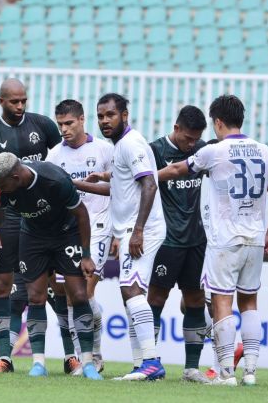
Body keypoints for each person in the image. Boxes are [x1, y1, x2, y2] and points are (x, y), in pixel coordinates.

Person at [159, 95, 268, 386]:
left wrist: (149, 176)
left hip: (225, 239)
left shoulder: (215, 151)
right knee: (250, 302)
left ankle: (226, 372)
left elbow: (178, 169)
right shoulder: (264, 151)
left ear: (217, 122)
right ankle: (250, 371)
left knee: (222, 303)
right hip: (254, 237)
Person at [0, 152, 102, 380]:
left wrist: (86, 255)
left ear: (16, 177)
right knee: (36, 298)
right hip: (32, 237)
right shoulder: (1, 183)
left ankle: (88, 362)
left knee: (78, 295)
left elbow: (82, 214)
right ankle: (38, 363)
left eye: (2, 186)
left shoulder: (54, 180)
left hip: (66, 235)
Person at [0, 78, 61, 373]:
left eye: (24, 100)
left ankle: (73, 355)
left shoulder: (44, 126)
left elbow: (61, 165)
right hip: (7, 218)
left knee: (48, 287)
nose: (21, 106)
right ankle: (3, 357)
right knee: (2, 285)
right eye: (14, 101)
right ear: (1, 102)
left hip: (39, 216)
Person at [89, 93, 167, 381]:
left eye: (110, 115)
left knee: (132, 291)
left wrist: (138, 231)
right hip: (131, 229)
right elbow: (120, 189)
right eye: (100, 116)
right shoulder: (120, 146)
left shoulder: (132, 143)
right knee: (130, 294)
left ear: (124, 116)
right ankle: (142, 364)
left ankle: (151, 361)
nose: (104, 121)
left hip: (143, 230)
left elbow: (149, 185)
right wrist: (80, 183)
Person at [46, 99, 114, 373]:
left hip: (99, 226)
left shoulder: (104, 150)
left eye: (69, 123)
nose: (64, 129)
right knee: (71, 294)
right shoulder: (53, 156)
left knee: (82, 293)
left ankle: (89, 359)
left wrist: (120, 233)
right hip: (68, 233)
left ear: (82, 120)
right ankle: (91, 348)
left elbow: (119, 190)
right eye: (60, 124)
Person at [146, 105, 210, 383]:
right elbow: (141, 185)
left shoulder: (202, 151)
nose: (192, 144)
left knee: (195, 299)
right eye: (187, 138)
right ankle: (149, 361)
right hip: (166, 239)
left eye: (196, 139)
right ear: (176, 129)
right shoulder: (155, 151)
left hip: (196, 239)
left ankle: (192, 369)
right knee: (156, 299)